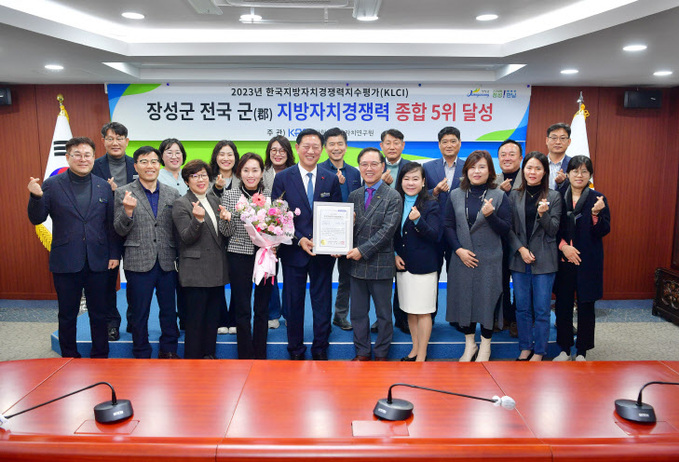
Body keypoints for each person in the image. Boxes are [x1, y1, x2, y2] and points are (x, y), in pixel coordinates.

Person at [27, 136, 120, 358]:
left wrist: (114, 254)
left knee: (99, 313)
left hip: (98, 260)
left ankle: (100, 354)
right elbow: (37, 219)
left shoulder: (103, 186)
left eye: (87, 154)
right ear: (68, 157)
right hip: (66, 260)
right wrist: (35, 197)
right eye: (77, 154)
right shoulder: (51, 185)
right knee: (67, 314)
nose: (83, 159)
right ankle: (69, 356)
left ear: (93, 157)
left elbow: (111, 225)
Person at [271, 128, 341, 360]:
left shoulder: (329, 178)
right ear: (298, 148)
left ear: (321, 150)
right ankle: (296, 350)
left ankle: (321, 349)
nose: (311, 151)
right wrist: (299, 238)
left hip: (322, 253)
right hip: (293, 252)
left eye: (316, 147)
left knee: (322, 304)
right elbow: (277, 216)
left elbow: (336, 212)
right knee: (294, 304)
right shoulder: (283, 177)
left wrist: (335, 241)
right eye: (306, 146)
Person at [114, 146, 181, 359]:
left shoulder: (172, 193)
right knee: (139, 312)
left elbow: (177, 229)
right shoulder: (123, 192)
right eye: (144, 161)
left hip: (167, 261)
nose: (149, 166)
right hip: (138, 260)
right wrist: (128, 212)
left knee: (169, 310)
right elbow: (118, 229)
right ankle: (141, 351)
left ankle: (169, 349)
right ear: (136, 166)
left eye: (153, 161)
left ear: (159, 165)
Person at [445, 150, 511, 362]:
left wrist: (491, 216)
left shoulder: (499, 195)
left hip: (489, 259)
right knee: (464, 300)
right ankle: (470, 344)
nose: (477, 171)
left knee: (487, 300)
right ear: (466, 170)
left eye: (482, 167)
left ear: (490, 170)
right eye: (472, 167)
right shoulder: (455, 194)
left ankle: (486, 345)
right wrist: (458, 250)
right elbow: (447, 225)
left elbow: (506, 229)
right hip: (462, 257)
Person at [347, 147, 402, 361]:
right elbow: (346, 228)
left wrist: (362, 250)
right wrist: (338, 245)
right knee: (358, 314)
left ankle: (380, 354)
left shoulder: (393, 196)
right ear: (359, 167)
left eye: (374, 164)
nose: (369, 169)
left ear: (383, 167)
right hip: (356, 265)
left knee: (383, 315)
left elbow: (387, 232)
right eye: (364, 164)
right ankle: (362, 352)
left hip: (380, 263)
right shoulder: (354, 195)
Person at [553, 156, 610, 361]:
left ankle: (582, 351)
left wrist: (596, 214)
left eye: (584, 171)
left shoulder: (598, 199)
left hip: (588, 262)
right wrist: (564, 247)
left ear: (590, 175)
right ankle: (564, 349)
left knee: (586, 306)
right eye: (575, 171)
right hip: (564, 260)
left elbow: (604, 230)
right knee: (563, 305)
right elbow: (552, 229)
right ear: (567, 174)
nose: (579, 175)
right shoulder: (558, 196)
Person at [508, 151, 563, 362]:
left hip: (545, 260)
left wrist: (543, 214)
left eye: (538, 168)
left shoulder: (554, 196)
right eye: (529, 168)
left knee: (541, 309)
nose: (533, 172)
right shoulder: (514, 195)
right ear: (523, 170)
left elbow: (553, 230)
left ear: (545, 172)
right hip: (519, 259)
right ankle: (525, 347)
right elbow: (508, 229)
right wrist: (520, 249)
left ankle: (539, 351)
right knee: (522, 307)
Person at [172, 159, 229, 359]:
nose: (200, 179)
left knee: (212, 318)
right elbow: (186, 238)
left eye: (203, 175)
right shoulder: (181, 204)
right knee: (195, 321)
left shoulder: (214, 200)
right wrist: (197, 220)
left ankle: (209, 355)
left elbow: (222, 235)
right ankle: (193, 360)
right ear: (187, 181)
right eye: (195, 176)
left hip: (216, 269)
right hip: (195, 271)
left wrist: (227, 221)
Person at [219, 152, 274, 359]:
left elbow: (279, 227)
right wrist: (225, 220)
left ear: (262, 173)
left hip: (265, 255)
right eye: (246, 170)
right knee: (242, 307)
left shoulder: (270, 195)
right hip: (239, 255)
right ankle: (244, 353)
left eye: (255, 170)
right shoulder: (230, 195)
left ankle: (260, 353)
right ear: (239, 173)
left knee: (262, 307)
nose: (251, 175)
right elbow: (225, 233)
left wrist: (275, 244)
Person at [92, 122, 136, 341]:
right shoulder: (94, 166)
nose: (115, 142)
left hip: (134, 229)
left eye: (120, 138)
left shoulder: (136, 164)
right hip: (105, 231)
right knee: (108, 281)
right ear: (103, 142)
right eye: (110, 138)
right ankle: (112, 323)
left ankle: (134, 320)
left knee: (136, 279)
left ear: (127, 141)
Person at [393, 162, 440, 362]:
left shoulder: (431, 204)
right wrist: (394, 254)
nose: (410, 183)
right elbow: (394, 234)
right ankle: (414, 349)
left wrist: (418, 221)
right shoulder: (396, 202)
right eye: (406, 178)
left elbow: (436, 236)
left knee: (423, 312)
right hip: (403, 267)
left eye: (415, 179)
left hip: (424, 268)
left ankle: (422, 354)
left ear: (423, 182)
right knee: (410, 311)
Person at [319, 127, 362, 331]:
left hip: (349, 235)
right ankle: (323, 317)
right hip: (324, 235)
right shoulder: (318, 170)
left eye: (340, 144)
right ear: (325, 147)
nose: (336, 148)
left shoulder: (354, 172)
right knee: (322, 278)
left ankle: (340, 315)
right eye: (332, 144)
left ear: (346, 146)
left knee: (346, 278)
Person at [423, 126, 465, 320]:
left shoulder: (468, 167)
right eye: (445, 142)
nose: (449, 145)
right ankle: (429, 316)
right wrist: (435, 191)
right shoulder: (428, 167)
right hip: (435, 230)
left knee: (457, 277)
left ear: (460, 143)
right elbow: (420, 194)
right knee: (433, 276)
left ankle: (457, 317)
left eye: (453, 141)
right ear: (439, 145)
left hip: (459, 231)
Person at [378, 129, 411, 333]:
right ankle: (381, 319)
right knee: (380, 279)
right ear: (382, 146)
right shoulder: (374, 165)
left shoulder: (411, 167)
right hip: (379, 229)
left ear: (403, 145)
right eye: (388, 143)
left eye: (396, 142)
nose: (392, 147)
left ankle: (403, 317)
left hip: (405, 228)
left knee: (404, 275)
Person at [157, 138, 190, 332]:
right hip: (166, 239)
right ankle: (170, 328)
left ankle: (187, 322)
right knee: (168, 289)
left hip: (188, 239)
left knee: (186, 285)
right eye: (169, 152)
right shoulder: (157, 176)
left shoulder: (189, 176)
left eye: (178, 152)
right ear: (162, 156)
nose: (174, 156)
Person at [262, 135, 295, 329]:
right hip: (266, 233)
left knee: (291, 276)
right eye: (274, 150)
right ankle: (272, 313)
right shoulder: (262, 172)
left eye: (282, 150)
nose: (278, 154)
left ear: (288, 153)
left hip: (291, 233)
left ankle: (291, 313)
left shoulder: (296, 172)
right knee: (269, 275)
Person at [495, 139, 524, 338]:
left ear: (520, 158)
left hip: (524, 241)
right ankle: (503, 317)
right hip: (499, 240)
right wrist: (499, 192)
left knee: (522, 283)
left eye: (512, 154)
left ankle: (517, 319)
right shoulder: (493, 180)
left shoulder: (530, 176)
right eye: (503, 154)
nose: (507, 158)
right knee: (501, 281)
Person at [546, 123, 572, 195]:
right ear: (547, 140)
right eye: (554, 138)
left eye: (562, 138)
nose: (558, 142)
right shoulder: (539, 163)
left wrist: (564, 183)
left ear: (569, 142)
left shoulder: (573, 164)